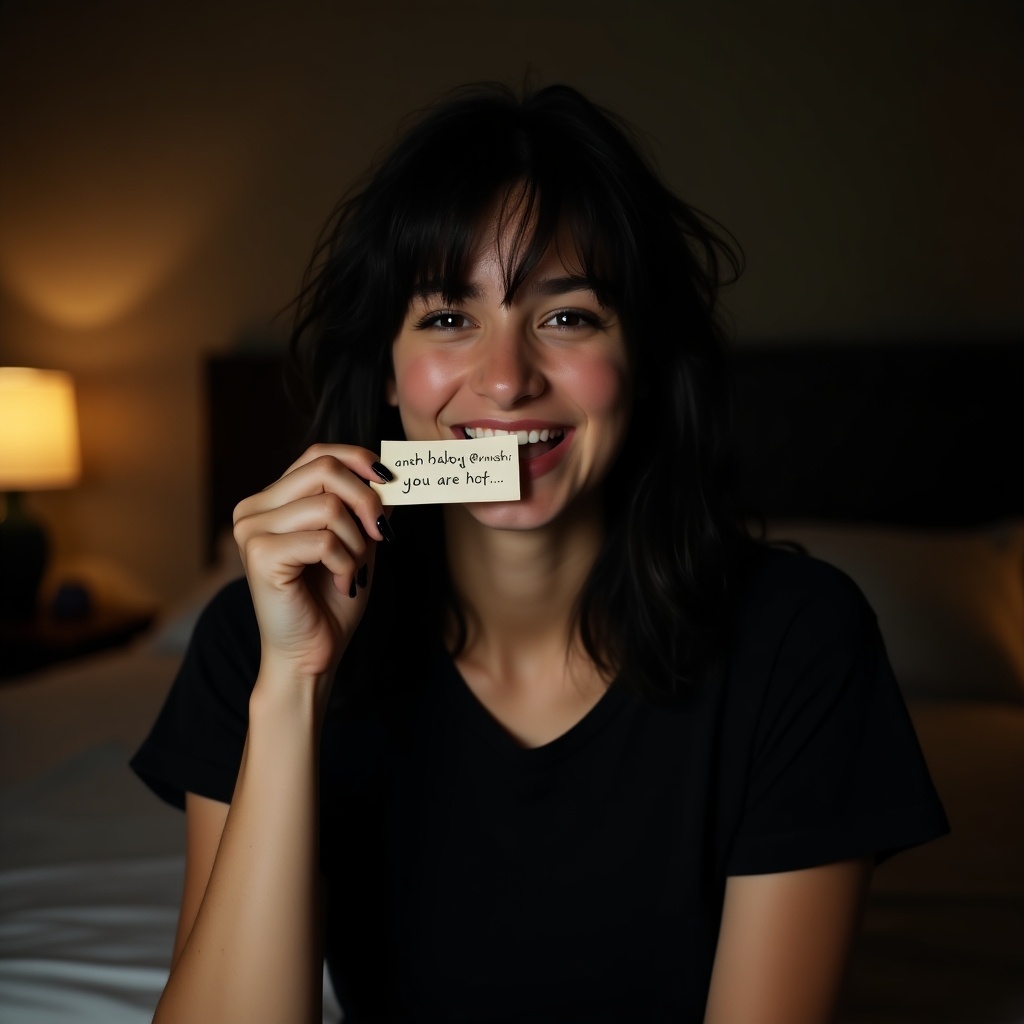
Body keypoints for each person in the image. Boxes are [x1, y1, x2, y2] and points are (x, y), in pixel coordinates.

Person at [132, 83, 948, 1023]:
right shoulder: (256, 644)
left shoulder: (797, 640)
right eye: (447, 318)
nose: (509, 379)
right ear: (390, 376)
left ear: (639, 363)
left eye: (567, 317)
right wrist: (294, 685)